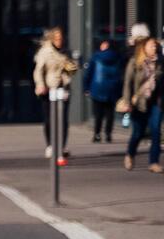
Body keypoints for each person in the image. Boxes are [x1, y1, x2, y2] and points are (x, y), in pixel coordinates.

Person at [32, 27, 78, 160]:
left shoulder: (66, 52)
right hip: (48, 89)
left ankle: (62, 146)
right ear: (52, 39)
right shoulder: (45, 52)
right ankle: (50, 145)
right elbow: (38, 70)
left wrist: (72, 68)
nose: (60, 41)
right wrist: (40, 85)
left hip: (63, 88)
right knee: (49, 119)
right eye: (57, 39)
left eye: (61, 39)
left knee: (63, 119)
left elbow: (72, 70)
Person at [120, 37, 164, 173]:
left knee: (156, 131)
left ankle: (154, 162)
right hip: (139, 103)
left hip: (156, 102)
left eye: (155, 46)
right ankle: (130, 154)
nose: (154, 48)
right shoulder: (134, 62)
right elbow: (127, 83)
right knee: (138, 132)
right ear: (143, 48)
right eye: (151, 46)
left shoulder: (160, 63)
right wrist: (127, 102)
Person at [84, 40, 124, 143]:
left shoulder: (96, 56)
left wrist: (86, 87)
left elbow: (88, 73)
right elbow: (121, 74)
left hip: (97, 87)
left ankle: (97, 134)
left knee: (98, 113)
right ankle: (108, 134)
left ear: (106, 46)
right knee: (110, 113)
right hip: (112, 89)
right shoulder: (118, 57)